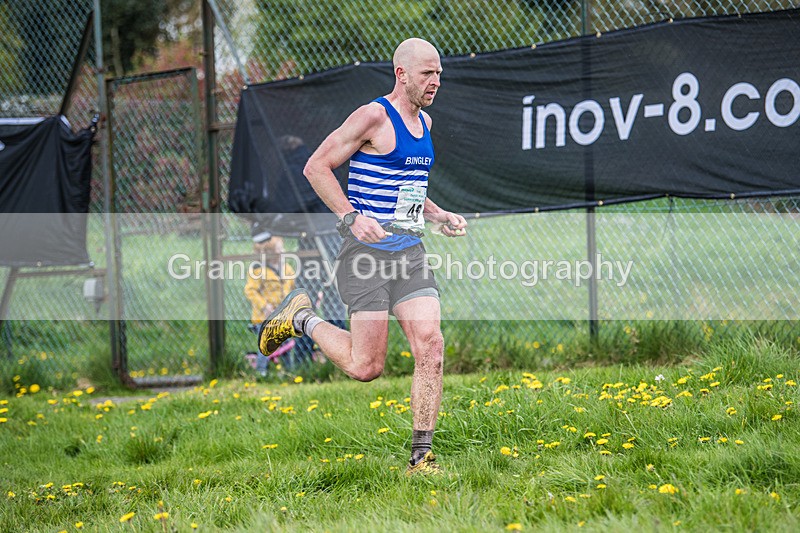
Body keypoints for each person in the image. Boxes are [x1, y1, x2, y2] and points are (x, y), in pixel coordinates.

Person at [258, 38, 467, 475]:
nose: (436, 82)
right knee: (365, 366)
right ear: (402, 74)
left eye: (440, 74)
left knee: (430, 344)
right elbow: (316, 166)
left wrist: (438, 213)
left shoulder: (424, 123)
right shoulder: (373, 116)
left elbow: (408, 189)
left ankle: (421, 456)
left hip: (409, 251)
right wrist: (351, 217)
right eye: (428, 73)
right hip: (365, 255)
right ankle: (302, 319)